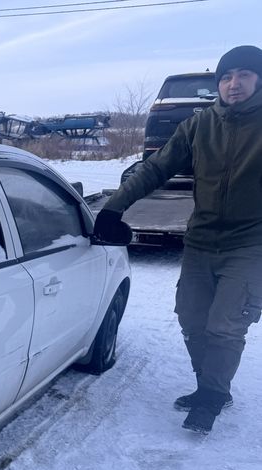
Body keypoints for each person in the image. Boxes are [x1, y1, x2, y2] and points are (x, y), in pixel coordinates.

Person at [94, 45, 262, 435]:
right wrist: (113, 208)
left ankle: (213, 396)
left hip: (251, 244)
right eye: (226, 77)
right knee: (191, 318)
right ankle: (210, 383)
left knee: (226, 326)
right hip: (201, 240)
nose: (234, 84)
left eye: (244, 75)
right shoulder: (200, 125)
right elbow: (156, 168)